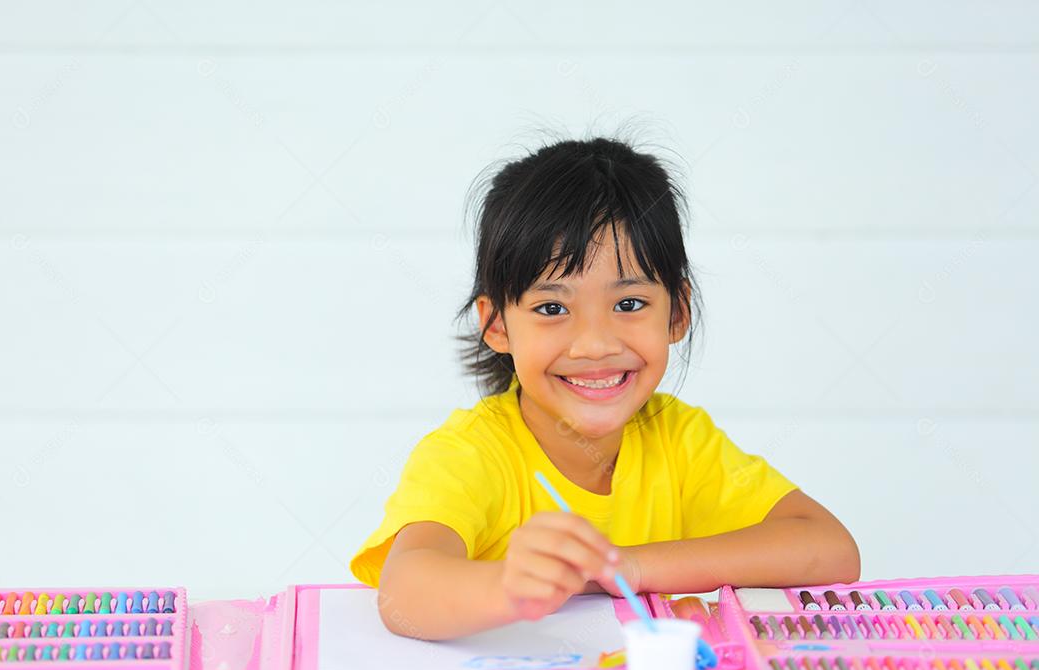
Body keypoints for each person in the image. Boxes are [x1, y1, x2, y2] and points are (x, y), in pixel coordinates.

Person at [349, 135, 860, 640]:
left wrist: (626, 567)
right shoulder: (469, 454)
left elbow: (829, 549)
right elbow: (402, 594)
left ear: (676, 312)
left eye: (629, 304)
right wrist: (509, 588)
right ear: (497, 324)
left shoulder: (680, 439)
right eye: (552, 308)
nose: (594, 345)